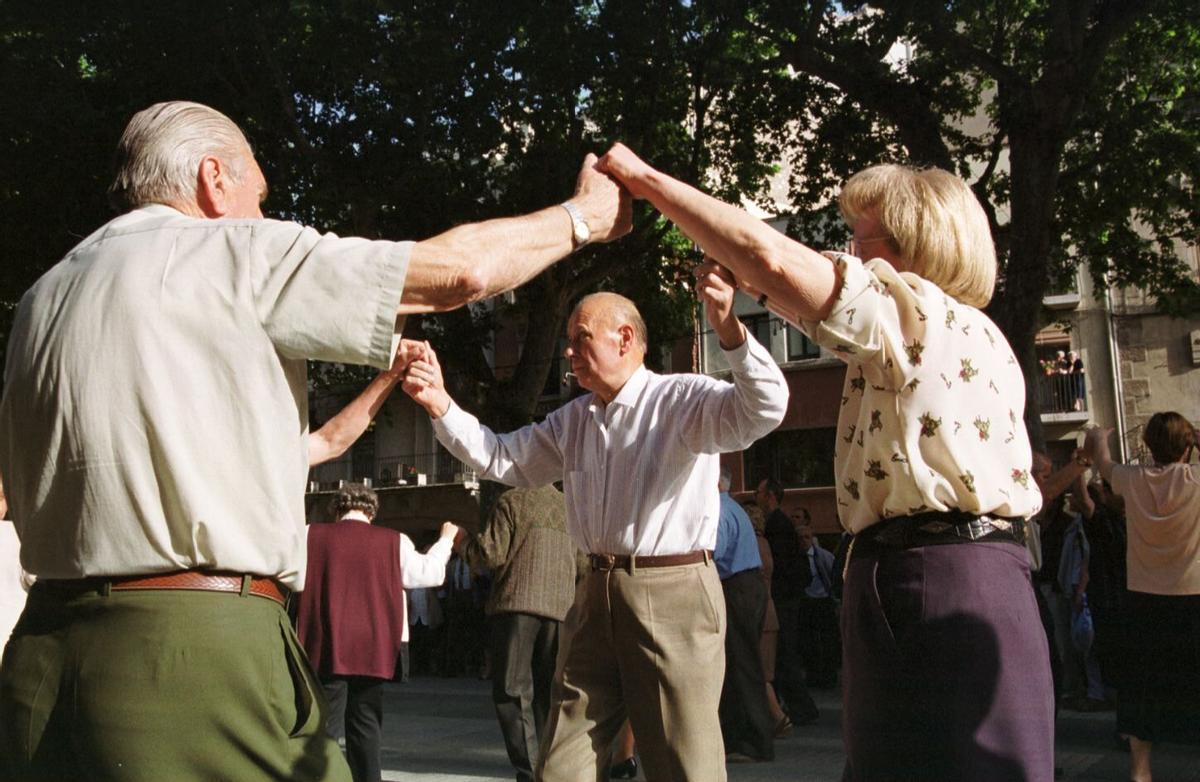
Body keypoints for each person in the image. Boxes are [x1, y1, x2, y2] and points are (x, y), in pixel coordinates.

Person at [0, 100, 629, 782]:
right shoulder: (231, 251)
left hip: (42, 652)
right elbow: (459, 274)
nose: (265, 216)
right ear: (214, 179)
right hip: (190, 648)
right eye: (260, 196)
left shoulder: (44, 295)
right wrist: (585, 217)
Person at [598, 146, 1051, 779]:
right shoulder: (964, 332)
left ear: (913, 249)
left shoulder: (910, 310)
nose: (851, 253)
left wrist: (649, 184)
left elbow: (773, 260)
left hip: (939, 575)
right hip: (939, 569)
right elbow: (776, 280)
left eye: (864, 240)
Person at [402, 283, 788, 781]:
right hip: (593, 594)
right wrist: (439, 404)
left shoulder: (682, 399)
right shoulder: (574, 420)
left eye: (579, 337)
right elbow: (503, 457)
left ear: (624, 339)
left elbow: (766, 408)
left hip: (672, 592)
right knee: (562, 764)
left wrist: (732, 332)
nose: (567, 351)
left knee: (683, 763)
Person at [294, 484, 459, 782]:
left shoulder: (310, 535)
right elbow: (430, 573)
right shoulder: (394, 540)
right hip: (375, 645)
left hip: (326, 643)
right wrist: (446, 540)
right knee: (366, 724)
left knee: (324, 725)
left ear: (336, 510)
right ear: (372, 511)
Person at [1085, 416, 1200, 782]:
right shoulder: (1196, 479)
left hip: (1144, 598)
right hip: (1193, 596)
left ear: (1148, 446)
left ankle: (1141, 770)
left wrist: (1098, 437)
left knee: (1142, 687)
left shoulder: (1132, 480)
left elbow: (1103, 462)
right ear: (1188, 446)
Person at [455, 484, 578, 782]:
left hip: (517, 605)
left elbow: (491, 554)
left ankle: (530, 769)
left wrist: (461, 542)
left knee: (512, 690)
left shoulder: (512, 500)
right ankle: (551, 767)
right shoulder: (569, 508)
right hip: (561, 609)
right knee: (550, 694)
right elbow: (584, 564)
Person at [713, 468, 774, 763]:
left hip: (736, 587)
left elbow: (713, 553)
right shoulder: (733, 507)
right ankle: (743, 737)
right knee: (741, 663)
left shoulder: (719, 510)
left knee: (741, 663)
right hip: (747, 585)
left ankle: (753, 740)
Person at [755, 478, 818, 724]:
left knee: (785, 654)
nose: (756, 496)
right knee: (782, 655)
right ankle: (794, 706)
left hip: (783, 600)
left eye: (759, 492)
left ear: (770, 496)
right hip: (785, 599)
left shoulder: (777, 525)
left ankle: (800, 708)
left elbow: (782, 566)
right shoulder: (780, 523)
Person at [744, 503, 791, 737]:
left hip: (760, 612)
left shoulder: (753, 544)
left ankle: (778, 718)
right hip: (769, 611)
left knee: (759, 672)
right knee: (765, 672)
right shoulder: (765, 543)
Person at [796, 524, 839, 689]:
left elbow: (832, 576)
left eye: (806, 537)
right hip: (807, 601)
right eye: (800, 538)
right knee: (809, 642)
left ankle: (829, 675)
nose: (803, 541)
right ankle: (813, 675)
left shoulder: (823, 556)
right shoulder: (796, 558)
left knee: (828, 640)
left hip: (823, 600)